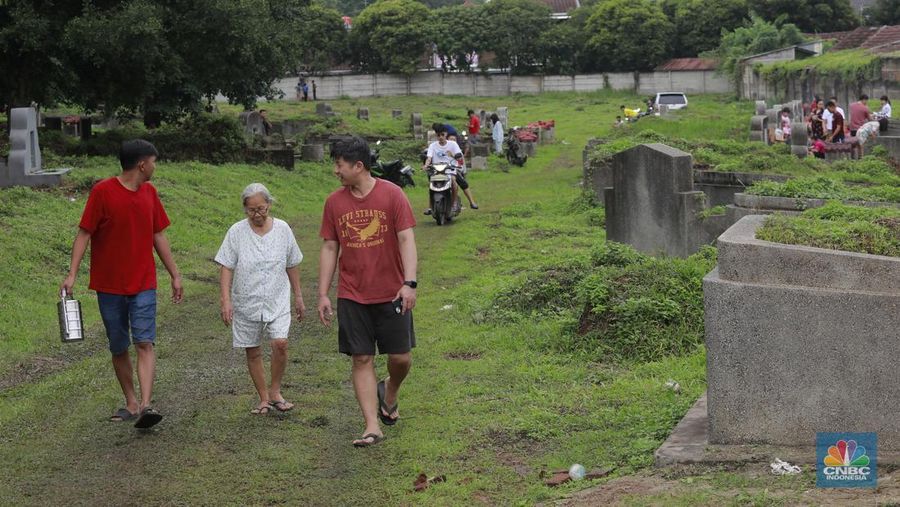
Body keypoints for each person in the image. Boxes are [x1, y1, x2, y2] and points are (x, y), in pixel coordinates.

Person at [61, 139, 183, 429]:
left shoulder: (150, 193)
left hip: (143, 283)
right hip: (109, 286)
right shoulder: (102, 192)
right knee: (118, 345)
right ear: (142, 164)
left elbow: (158, 236)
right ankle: (130, 400)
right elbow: (84, 233)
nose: (155, 166)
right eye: (153, 161)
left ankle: (146, 405)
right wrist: (72, 274)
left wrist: (175, 274)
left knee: (144, 341)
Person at [317, 135, 418, 448]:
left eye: (339, 164)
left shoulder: (393, 195)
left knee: (401, 358)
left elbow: (406, 240)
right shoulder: (334, 203)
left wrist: (409, 282)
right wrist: (322, 292)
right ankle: (372, 424)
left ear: (358, 166)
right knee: (361, 359)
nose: (336, 170)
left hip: (391, 292)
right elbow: (331, 247)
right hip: (352, 294)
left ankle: (389, 391)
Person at [216, 183, 305, 415]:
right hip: (247, 298)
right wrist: (225, 300)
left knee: (280, 343)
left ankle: (275, 391)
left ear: (269, 205)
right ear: (245, 209)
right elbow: (226, 266)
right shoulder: (236, 232)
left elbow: (292, 263)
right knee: (252, 349)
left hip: (277, 297)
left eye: (262, 209)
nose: (257, 215)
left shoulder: (283, 229)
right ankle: (263, 398)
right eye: (252, 210)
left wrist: (298, 296)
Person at [423, 125, 476, 213]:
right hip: (437, 170)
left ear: (446, 134)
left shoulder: (453, 144)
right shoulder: (432, 146)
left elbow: (459, 155)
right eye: (438, 135)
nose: (440, 137)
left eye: (442, 135)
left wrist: (453, 156)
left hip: (450, 169)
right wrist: (426, 165)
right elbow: (429, 157)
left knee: (453, 181)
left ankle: (454, 203)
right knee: (431, 185)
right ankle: (430, 207)